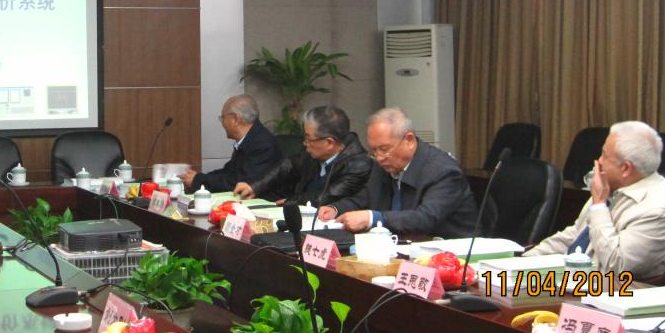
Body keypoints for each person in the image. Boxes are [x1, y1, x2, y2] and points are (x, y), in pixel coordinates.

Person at [523, 121, 665, 279]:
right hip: (574, 279)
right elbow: (574, 236)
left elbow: (616, 265)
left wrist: (599, 207)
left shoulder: (658, 210)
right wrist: (524, 260)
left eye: (604, 155)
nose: (599, 161)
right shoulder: (610, 187)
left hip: (612, 289)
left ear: (625, 168)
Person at [319, 107, 477, 237]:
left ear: (409, 140)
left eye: (384, 149)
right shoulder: (385, 163)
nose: (379, 157)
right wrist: (336, 209)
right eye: (374, 150)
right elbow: (366, 197)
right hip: (402, 244)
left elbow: (426, 218)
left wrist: (372, 218)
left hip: (450, 250)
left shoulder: (444, 171)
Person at [233, 105, 370, 207]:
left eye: (309, 138)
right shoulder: (315, 153)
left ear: (329, 143)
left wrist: (291, 202)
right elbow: (289, 165)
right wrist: (255, 186)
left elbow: (326, 197)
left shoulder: (358, 165)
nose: (305, 143)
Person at [178, 95, 282, 193]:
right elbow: (228, 173)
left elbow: (239, 183)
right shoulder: (251, 138)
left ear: (235, 119)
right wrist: (197, 178)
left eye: (222, 118)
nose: (222, 123)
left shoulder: (263, 144)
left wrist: (198, 180)